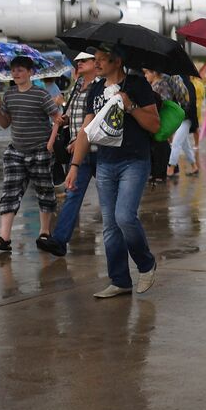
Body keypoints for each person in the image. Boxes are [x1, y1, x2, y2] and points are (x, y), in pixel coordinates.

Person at [66, 45, 161, 299]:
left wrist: (129, 106)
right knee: (109, 225)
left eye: (101, 60)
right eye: (94, 60)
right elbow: (87, 131)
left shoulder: (137, 84)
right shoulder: (95, 89)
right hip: (105, 162)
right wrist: (75, 166)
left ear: (117, 61)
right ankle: (120, 280)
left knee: (124, 217)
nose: (96, 64)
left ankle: (146, 263)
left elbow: (154, 124)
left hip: (134, 160)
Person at [0, 56, 61, 253]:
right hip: (16, 151)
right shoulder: (8, 95)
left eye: (20, 70)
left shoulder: (41, 95)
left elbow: (58, 119)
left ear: (30, 73)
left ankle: (44, 232)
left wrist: (51, 143)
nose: (16, 74)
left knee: (44, 191)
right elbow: (4, 123)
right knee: (10, 192)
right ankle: (4, 238)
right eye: (13, 70)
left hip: (40, 151)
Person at [43, 52, 100, 257]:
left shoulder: (101, 87)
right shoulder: (78, 85)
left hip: (99, 150)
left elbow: (98, 117)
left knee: (110, 198)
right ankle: (59, 241)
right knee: (72, 193)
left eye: (85, 60)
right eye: (78, 61)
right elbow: (75, 112)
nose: (79, 63)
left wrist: (80, 139)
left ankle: (121, 235)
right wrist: (64, 120)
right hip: (79, 152)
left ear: (96, 63)